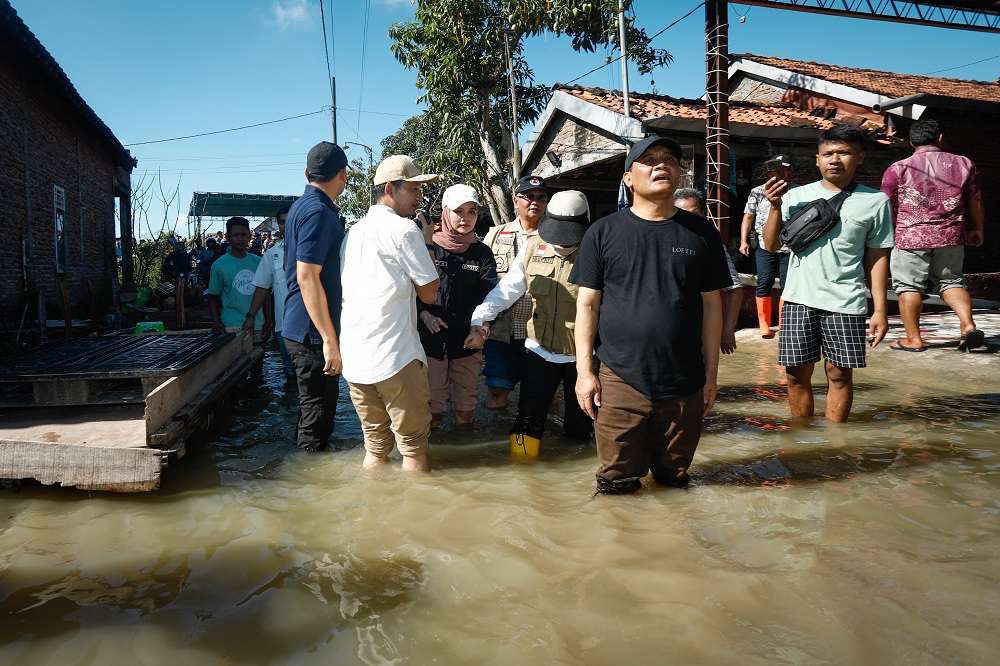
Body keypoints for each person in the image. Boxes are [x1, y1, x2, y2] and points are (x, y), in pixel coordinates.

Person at [572, 136, 731, 494]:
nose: (662, 164)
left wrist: (711, 376)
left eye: (670, 159)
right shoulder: (603, 232)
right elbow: (587, 305)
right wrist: (585, 372)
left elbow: (711, 306)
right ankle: (621, 547)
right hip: (620, 376)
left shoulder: (702, 234)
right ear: (628, 178)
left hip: (685, 380)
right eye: (649, 160)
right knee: (617, 481)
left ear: (680, 172)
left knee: (674, 479)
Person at [762, 125, 894, 423]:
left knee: (839, 374)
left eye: (844, 152)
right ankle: (802, 435)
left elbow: (877, 258)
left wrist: (880, 311)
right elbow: (770, 245)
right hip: (798, 299)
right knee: (795, 375)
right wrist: (774, 207)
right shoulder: (795, 196)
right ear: (817, 159)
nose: (835, 159)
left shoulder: (876, 201)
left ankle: (836, 441)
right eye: (828, 153)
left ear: (859, 157)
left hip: (846, 301)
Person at [467, 190, 594, 457]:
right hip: (539, 350)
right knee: (526, 423)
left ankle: (575, 481)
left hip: (583, 357)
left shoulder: (599, 248)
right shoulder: (533, 245)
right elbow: (506, 291)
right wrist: (480, 319)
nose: (561, 243)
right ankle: (521, 474)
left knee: (581, 425)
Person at [340, 155, 440, 472]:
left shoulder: (353, 233)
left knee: (375, 449)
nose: (419, 197)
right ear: (389, 189)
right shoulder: (405, 230)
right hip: (395, 358)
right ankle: (416, 518)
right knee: (413, 451)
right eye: (413, 189)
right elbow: (430, 292)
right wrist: (427, 244)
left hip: (356, 360)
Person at [881, 119, 987, 352]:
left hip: (910, 237)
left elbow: (885, 205)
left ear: (911, 141)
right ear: (940, 138)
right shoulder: (964, 163)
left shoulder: (898, 168)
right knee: (952, 282)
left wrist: (886, 235)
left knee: (909, 286)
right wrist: (978, 229)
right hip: (950, 235)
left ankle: (913, 339)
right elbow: (975, 200)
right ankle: (968, 326)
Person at [282, 143, 349, 452]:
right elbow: (307, 276)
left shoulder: (301, 206)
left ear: (307, 173)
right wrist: (329, 340)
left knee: (313, 409)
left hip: (300, 326)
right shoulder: (319, 212)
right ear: (343, 175)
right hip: (311, 332)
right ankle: (310, 482)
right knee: (317, 416)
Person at [419, 184, 498, 427]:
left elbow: (490, 298)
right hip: (431, 342)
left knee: (466, 410)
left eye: (472, 211)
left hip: (467, 343)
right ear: (445, 212)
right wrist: (424, 315)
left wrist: (481, 329)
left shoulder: (482, 253)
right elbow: (409, 290)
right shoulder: (426, 246)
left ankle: (467, 460)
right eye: (458, 211)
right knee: (432, 412)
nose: (465, 218)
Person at [481, 176, 548, 409]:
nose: (535, 202)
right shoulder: (496, 235)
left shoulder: (557, 236)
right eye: (529, 196)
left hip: (540, 332)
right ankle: (495, 440)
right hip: (502, 332)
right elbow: (482, 281)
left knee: (543, 395)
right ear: (515, 200)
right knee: (498, 391)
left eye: (541, 197)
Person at [674, 187, 744, 355]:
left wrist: (727, 331)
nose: (688, 219)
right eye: (682, 214)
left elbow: (735, 288)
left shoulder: (710, 243)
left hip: (700, 329)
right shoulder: (659, 239)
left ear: (703, 214)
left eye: (694, 213)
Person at [741, 156, 793, 338]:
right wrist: (743, 241)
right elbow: (748, 216)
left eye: (784, 169)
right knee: (764, 281)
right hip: (764, 245)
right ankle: (764, 325)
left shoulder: (796, 191)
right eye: (776, 169)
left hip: (790, 246)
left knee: (789, 285)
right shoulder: (757, 191)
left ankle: (785, 324)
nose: (780, 172)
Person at [243, 205, 294, 380]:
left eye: (291, 220)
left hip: (313, 328)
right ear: (278, 225)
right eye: (282, 222)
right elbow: (262, 288)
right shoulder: (272, 255)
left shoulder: (314, 251)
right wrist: (251, 317)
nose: (287, 226)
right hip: (284, 327)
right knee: (291, 376)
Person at [205, 216, 262, 335]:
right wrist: (217, 322)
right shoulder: (219, 265)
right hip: (232, 327)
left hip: (258, 326)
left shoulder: (259, 262)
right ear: (228, 238)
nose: (240, 239)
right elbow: (213, 296)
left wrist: (268, 321)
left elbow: (264, 294)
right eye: (236, 235)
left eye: (243, 235)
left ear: (249, 236)